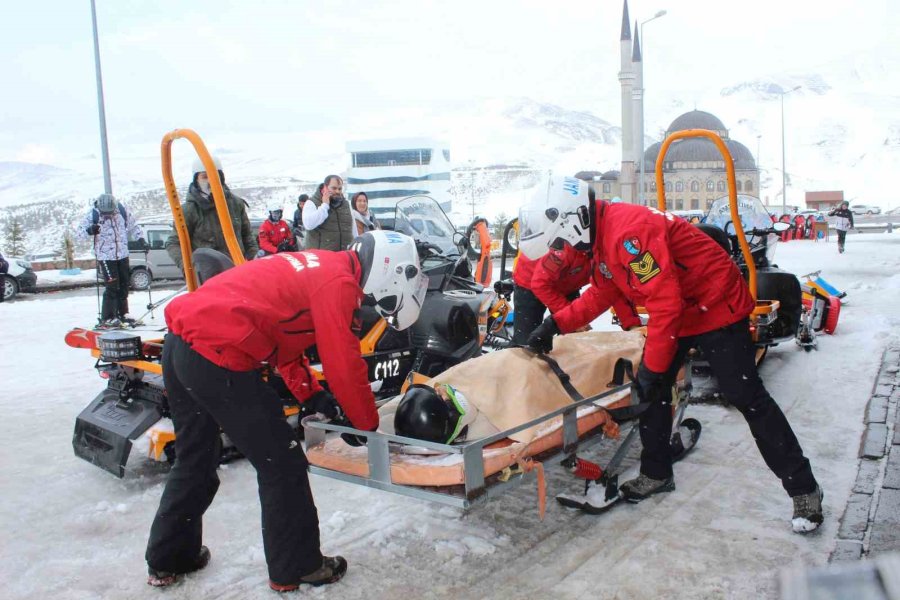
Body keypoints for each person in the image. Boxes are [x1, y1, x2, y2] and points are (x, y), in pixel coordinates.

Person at [518, 174, 823, 533]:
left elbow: (664, 305)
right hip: (682, 307)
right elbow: (602, 293)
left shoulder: (627, 234)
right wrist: (554, 325)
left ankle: (804, 490)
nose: (560, 246)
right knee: (654, 389)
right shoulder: (601, 240)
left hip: (717, 305)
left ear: (573, 222)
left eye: (559, 238)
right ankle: (656, 473)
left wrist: (652, 367)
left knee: (745, 395)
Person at [145, 230, 428, 591]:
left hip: (180, 345)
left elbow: (286, 338)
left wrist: (312, 396)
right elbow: (343, 362)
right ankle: (298, 566)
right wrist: (364, 425)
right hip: (217, 353)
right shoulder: (338, 284)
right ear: (392, 269)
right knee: (282, 462)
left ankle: (170, 557)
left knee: (195, 458)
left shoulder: (323, 266)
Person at [510, 243, 641, 345]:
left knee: (575, 340)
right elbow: (540, 284)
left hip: (567, 285)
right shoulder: (563, 248)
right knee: (526, 343)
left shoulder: (606, 251)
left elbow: (613, 287)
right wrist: (570, 317)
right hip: (529, 283)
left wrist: (632, 326)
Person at [165, 155, 258, 269]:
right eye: (205, 176)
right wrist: (189, 268)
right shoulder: (189, 210)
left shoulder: (235, 204)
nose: (210, 181)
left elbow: (247, 236)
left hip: (237, 270)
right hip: (209, 274)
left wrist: (254, 259)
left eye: (214, 176)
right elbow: (174, 242)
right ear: (196, 180)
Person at [76, 193, 145, 327]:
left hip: (122, 254)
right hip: (106, 256)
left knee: (124, 284)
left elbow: (134, 226)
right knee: (112, 286)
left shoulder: (122, 211)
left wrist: (140, 239)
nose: (108, 215)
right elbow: (78, 234)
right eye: (105, 213)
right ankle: (107, 317)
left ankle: (122, 313)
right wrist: (89, 231)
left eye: (110, 213)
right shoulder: (93, 215)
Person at [302, 175, 354, 251]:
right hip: (321, 258)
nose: (337, 191)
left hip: (343, 257)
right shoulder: (311, 203)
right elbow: (308, 224)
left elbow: (353, 229)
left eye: (340, 189)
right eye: (334, 188)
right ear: (325, 187)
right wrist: (325, 206)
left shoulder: (345, 204)